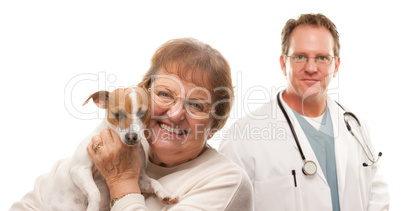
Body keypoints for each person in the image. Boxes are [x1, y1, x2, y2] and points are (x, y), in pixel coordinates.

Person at [11, 38, 254, 210]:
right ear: (143, 94)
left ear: (215, 124)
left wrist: (122, 181)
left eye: (197, 105)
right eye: (165, 94)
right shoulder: (99, 151)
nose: (175, 113)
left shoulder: (226, 182)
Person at [219, 13, 390, 211]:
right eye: (300, 57)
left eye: (322, 58)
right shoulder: (243, 137)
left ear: (336, 65)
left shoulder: (355, 126)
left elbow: (377, 193)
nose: (311, 68)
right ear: (284, 64)